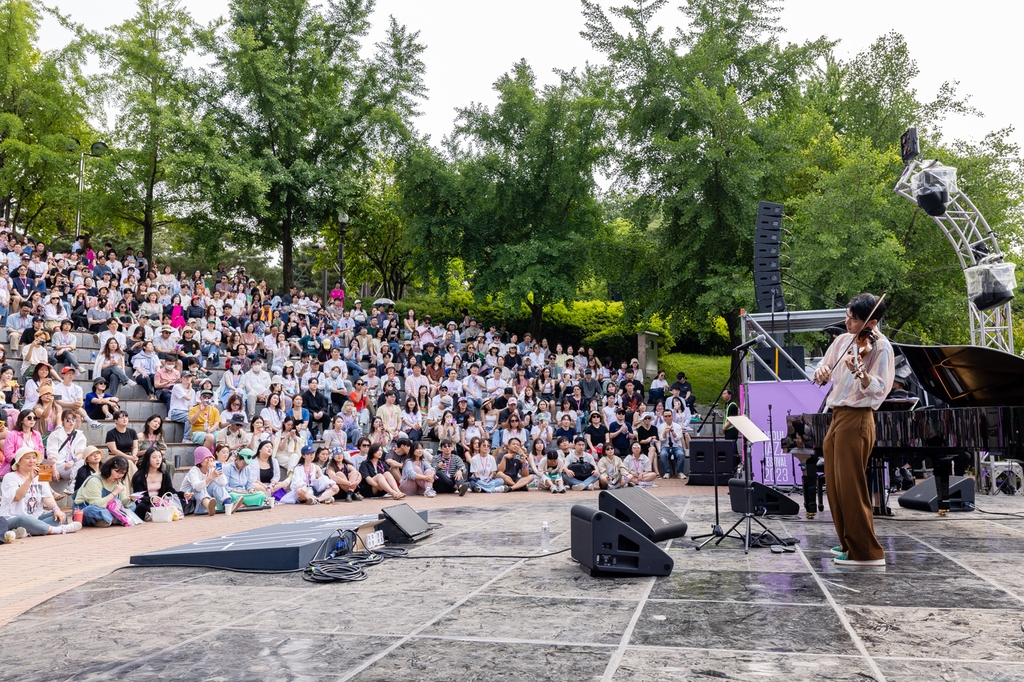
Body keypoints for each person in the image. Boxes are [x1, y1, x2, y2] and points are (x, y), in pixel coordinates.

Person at [813, 293, 895, 568]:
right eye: (847, 316)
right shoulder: (840, 341)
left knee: (852, 487)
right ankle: (848, 542)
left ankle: (868, 553)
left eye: (854, 319)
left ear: (871, 323)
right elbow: (822, 368)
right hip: (836, 416)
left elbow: (879, 389)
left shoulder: (881, 347)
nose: (847, 322)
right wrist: (822, 372)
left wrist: (861, 373)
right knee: (836, 487)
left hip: (858, 417)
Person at [1, 445, 82, 535]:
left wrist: (56, 509)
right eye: (28, 458)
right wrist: (29, 479)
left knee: (60, 516)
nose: (32, 461)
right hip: (11, 519)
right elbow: (17, 497)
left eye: (34, 458)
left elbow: (47, 497)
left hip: (35, 518)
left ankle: (26, 532)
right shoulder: (10, 477)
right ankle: (59, 530)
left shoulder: (39, 476)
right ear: (18, 462)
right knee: (23, 519)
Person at [73, 455, 134, 526]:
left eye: (123, 473)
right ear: (109, 468)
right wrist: (114, 492)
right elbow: (96, 504)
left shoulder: (119, 481)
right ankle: (115, 518)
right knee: (94, 510)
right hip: (86, 508)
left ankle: (109, 519)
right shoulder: (94, 480)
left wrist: (132, 499)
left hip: (110, 508)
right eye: (117, 472)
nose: (120, 475)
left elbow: (124, 502)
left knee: (132, 506)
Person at [179, 446, 233, 517]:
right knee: (200, 487)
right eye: (206, 458)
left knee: (214, 485)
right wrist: (211, 477)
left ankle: (228, 504)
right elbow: (197, 487)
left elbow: (223, 483)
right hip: (188, 498)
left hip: (202, 497)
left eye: (210, 457)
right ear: (199, 460)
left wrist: (219, 472)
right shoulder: (194, 470)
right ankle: (209, 506)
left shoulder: (210, 469)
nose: (209, 460)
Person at [130, 446, 180, 520]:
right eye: (154, 457)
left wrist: (183, 494)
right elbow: (138, 497)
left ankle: (155, 515)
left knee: (183, 502)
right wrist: (151, 499)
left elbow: (170, 490)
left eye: (160, 457)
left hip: (161, 503)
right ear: (148, 459)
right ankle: (152, 515)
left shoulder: (164, 473)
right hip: (146, 504)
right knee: (141, 507)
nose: (158, 460)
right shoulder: (139, 476)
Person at [45, 410, 87, 493]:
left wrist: (73, 461)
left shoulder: (79, 434)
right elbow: (51, 454)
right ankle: (73, 487)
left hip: (74, 463)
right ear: (63, 420)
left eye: (73, 419)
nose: (71, 422)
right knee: (83, 469)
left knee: (84, 464)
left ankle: (73, 487)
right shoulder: (55, 435)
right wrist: (54, 470)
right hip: (59, 465)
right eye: (68, 419)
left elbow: (81, 452)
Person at [659, 409, 687, 480]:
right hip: (665, 446)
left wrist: (672, 431)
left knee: (681, 454)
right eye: (666, 416)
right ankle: (667, 472)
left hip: (676, 446)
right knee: (662, 454)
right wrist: (665, 432)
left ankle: (680, 472)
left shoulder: (677, 426)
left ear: (672, 416)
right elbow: (662, 439)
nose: (668, 417)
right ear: (663, 417)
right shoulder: (660, 427)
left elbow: (677, 438)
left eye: (669, 416)